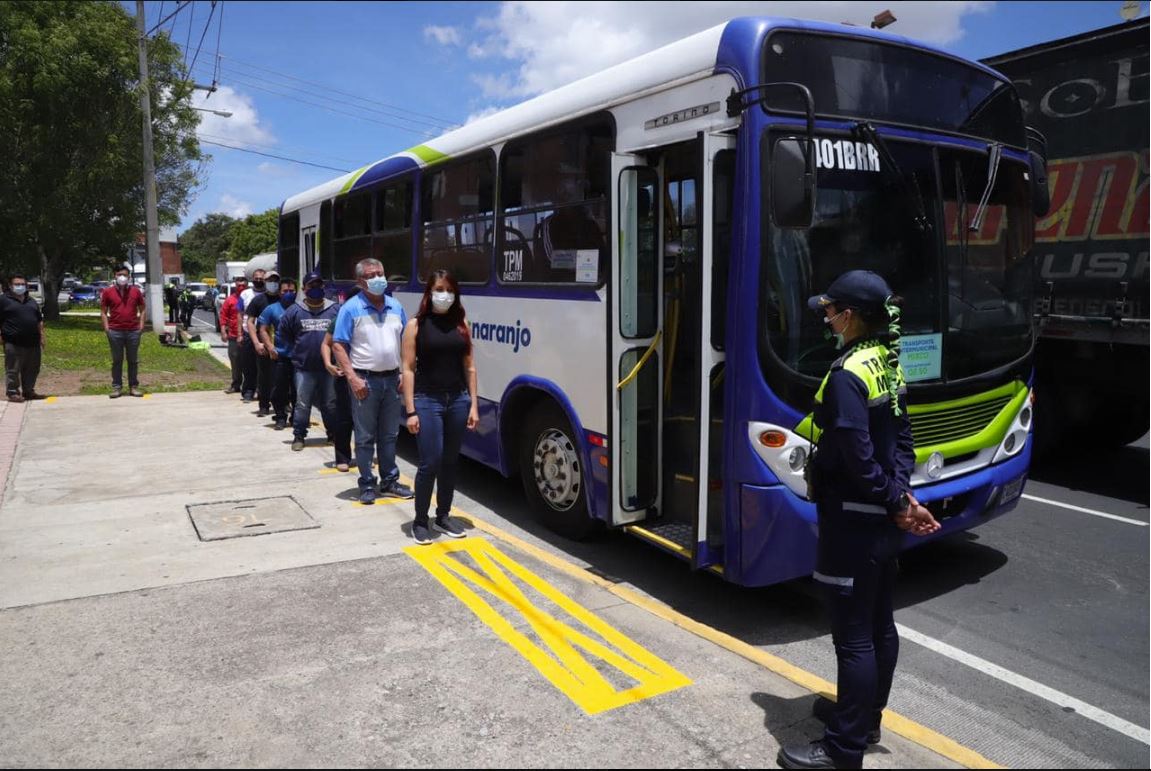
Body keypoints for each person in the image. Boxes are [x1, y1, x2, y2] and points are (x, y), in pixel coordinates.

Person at [777, 270, 940, 771]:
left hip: (853, 521)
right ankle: (864, 718)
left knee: (854, 636)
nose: (825, 318)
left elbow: (854, 455)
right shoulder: (886, 364)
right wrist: (902, 498)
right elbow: (904, 440)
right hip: (881, 522)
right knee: (878, 623)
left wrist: (894, 502)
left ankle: (844, 748)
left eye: (829, 311)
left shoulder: (849, 374)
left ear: (849, 316)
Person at [400, 269, 478, 544]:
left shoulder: (461, 324)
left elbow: (470, 368)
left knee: (450, 462)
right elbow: (408, 369)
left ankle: (443, 516)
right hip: (427, 400)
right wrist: (410, 411)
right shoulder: (416, 325)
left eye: (449, 289)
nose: (444, 295)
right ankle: (421, 521)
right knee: (430, 461)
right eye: (439, 289)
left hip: (457, 400)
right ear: (429, 293)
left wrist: (473, 405)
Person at [331, 258, 414, 504]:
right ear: (360, 281)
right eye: (372, 274)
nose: (379, 278)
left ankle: (389, 481)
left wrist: (403, 373)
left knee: (389, 435)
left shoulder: (396, 306)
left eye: (381, 272)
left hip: (391, 381)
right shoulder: (351, 308)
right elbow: (338, 345)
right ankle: (367, 484)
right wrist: (352, 378)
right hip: (364, 381)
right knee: (365, 437)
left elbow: (405, 342)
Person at [278, 272, 341, 453]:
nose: (315, 289)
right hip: (304, 368)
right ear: (304, 289)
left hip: (329, 368)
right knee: (302, 403)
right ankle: (299, 436)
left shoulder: (335, 309)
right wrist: (297, 354)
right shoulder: (294, 311)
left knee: (330, 403)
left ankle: (332, 434)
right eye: (311, 286)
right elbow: (284, 335)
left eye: (318, 285)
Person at [319, 288, 358, 473]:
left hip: (366, 374)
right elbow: (326, 344)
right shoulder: (340, 318)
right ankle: (342, 457)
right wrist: (328, 364)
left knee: (367, 421)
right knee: (344, 417)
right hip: (344, 375)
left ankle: (364, 455)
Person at [257, 277, 298, 430]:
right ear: (279, 293)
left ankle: (297, 418)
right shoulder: (271, 309)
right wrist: (269, 347)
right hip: (279, 356)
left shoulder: (301, 308)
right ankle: (280, 417)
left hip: (298, 358)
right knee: (278, 390)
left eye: (291, 291)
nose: (288, 294)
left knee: (297, 391)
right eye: (285, 291)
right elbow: (263, 329)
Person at [100, 264, 146, 398]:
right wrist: (107, 328)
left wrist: (141, 326)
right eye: (119, 274)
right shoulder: (108, 292)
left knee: (133, 360)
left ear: (129, 277)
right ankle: (117, 387)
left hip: (133, 331)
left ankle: (133, 386)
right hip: (115, 331)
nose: (122, 277)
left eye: (125, 275)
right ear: (115, 275)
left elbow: (142, 309)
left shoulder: (135, 291)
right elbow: (103, 312)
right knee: (117, 360)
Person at [0, 273, 45, 402]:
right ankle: (13, 392)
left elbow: (39, 320)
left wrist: (42, 336)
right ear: (10, 285)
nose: (20, 286)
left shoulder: (31, 301)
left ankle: (28, 391)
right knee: (13, 369)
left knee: (32, 368)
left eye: (23, 284)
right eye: (17, 284)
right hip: (13, 341)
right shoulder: (3, 300)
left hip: (33, 342)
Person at [245, 269, 280, 417]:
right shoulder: (258, 300)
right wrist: (256, 343)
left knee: (281, 376)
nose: (273, 284)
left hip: (281, 344)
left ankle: (282, 404)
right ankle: (264, 405)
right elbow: (250, 322)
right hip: (264, 344)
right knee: (264, 376)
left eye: (275, 281)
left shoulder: (283, 299)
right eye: (270, 281)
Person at [238, 269, 264, 402]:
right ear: (252, 279)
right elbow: (240, 314)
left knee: (263, 366)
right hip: (248, 333)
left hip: (264, 335)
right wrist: (239, 334)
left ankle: (263, 392)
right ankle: (248, 390)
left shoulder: (268, 295)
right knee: (248, 365)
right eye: (256, 278)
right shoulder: (245, 294)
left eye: (261, 278)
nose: (258, 280)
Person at [219, 277, 247, 394]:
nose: (241, 288)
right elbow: (223, 317)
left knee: (249, 363)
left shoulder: (250, 298)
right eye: (238, 285)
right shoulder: (230, 300)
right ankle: (236, 384)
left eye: (243, 285)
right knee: (235, 361)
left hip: (248, 336)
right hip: (233, 335)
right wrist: (223, 332)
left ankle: (250, 386)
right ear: (235, 286)